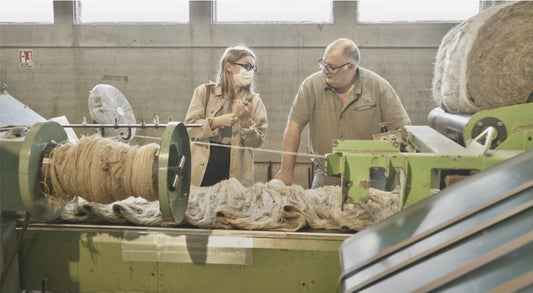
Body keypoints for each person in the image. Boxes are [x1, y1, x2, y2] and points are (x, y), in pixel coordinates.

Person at [274, 38, 411, 189]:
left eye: (331, 67)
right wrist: (286, 171)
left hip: (371, 177)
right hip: (326, 175)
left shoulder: (378, 87)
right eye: (323, 64)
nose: (324, 71)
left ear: (350, 67)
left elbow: (403, 128)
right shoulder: (311, 86)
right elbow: (294, 126)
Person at [185, 45, 268, 187]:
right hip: (202, 169)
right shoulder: (203, 92)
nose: (251, 72)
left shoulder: (254, 102)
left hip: (236, 173)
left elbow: (256, 142)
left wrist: (245, 122)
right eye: (247, 66)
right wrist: (216, 122)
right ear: (229, 66)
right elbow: (190, 128)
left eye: (253, 68)